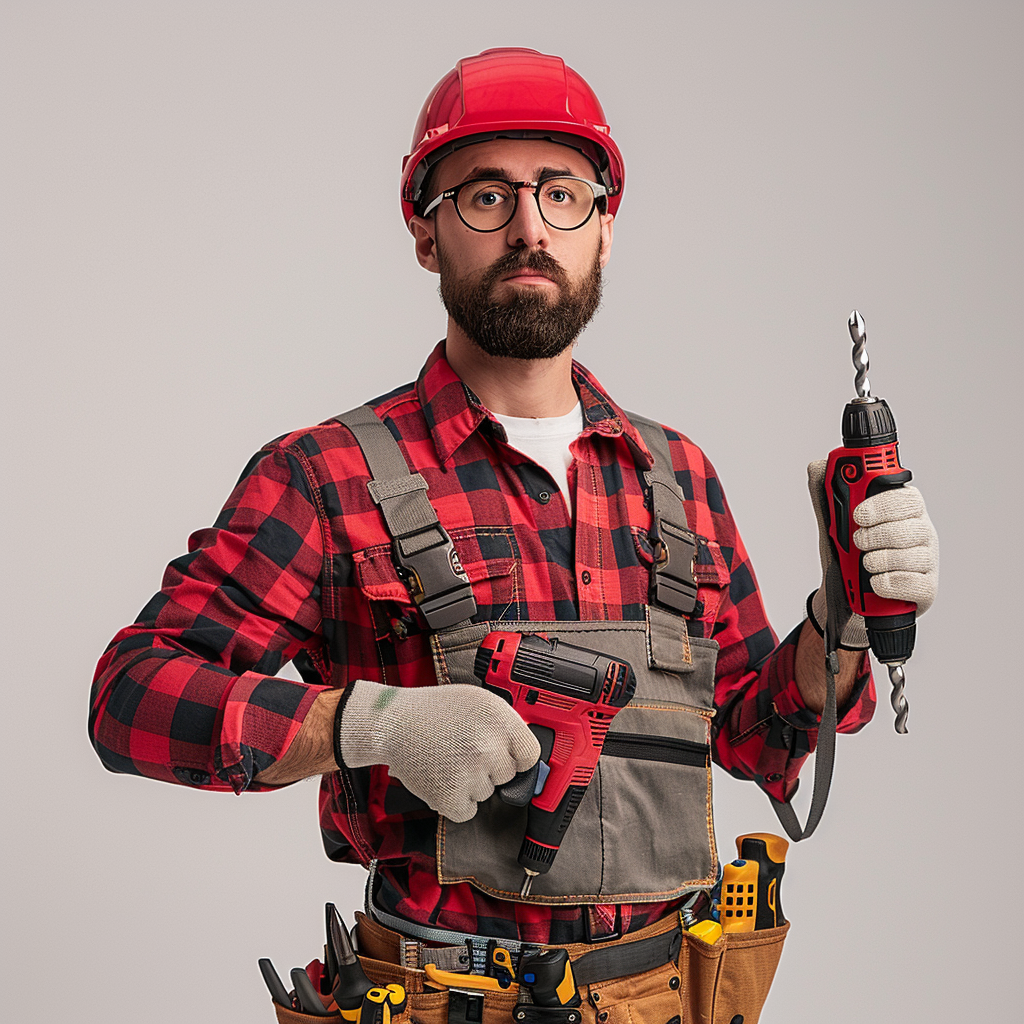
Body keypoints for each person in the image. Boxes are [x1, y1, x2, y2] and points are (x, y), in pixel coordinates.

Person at [89, 47, 938, 1019]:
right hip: (436, 993)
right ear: (424, 234)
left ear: (605, 228)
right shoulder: (325, 476)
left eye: (563, 194)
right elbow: (130, 693)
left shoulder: (680, 479)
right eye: (485, 196)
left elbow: (755, 736)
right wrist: (365, 725)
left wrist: (843, 621)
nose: (530, 227)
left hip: (664, 995)